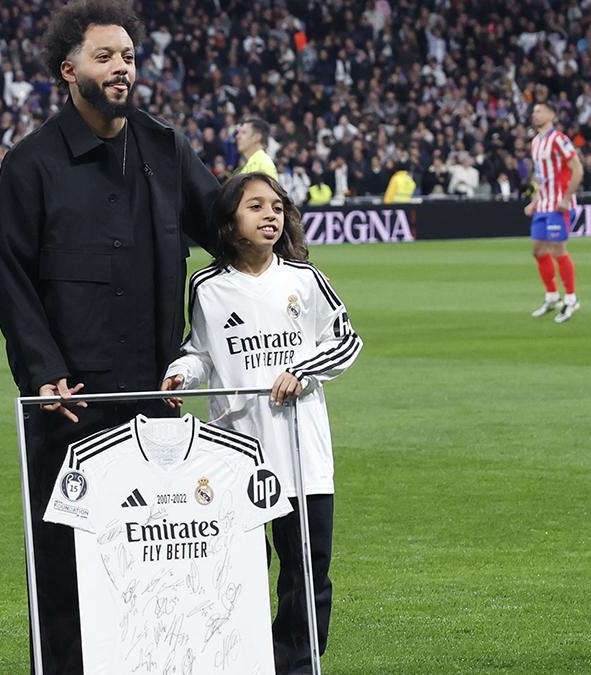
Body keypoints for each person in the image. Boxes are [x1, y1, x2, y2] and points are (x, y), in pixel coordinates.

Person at [0, 1, 219, 671]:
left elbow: (223, 228)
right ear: (69, 70)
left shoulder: (166, 147)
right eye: (105, 57)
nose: (122, 69)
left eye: (128, 57)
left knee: (157, 568)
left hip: (155, 405)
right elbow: (12, 276)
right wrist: (41, 371)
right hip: (69, 401)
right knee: (63, 571)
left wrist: (270, 231)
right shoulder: (30, 163)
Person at [162, 172, 362, 674]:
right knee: (240, 574)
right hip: (237, 458)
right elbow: (201, 352)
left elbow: (346, 341)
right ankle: (244, 662)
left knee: (306, 575)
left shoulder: (305, 279)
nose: (270, 215)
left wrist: (301, 370)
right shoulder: (207, 287)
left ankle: (296, 666)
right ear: (230, 221)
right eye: (255, 207)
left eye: (276, 206)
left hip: (303, 456)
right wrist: (180, 375)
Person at [525, 101, 584, 323]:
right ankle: (552, 296)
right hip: (544, 204)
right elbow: (542, 177)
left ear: (552, 115)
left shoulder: (560, 140)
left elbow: (577, 168)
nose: (535, 114)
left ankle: (571, 299)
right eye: (533, 111)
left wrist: (566, 198)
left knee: (559, 250)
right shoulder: (535, 143)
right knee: (538, 250)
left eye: (539, 111)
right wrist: (535, 201)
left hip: (559, 204)